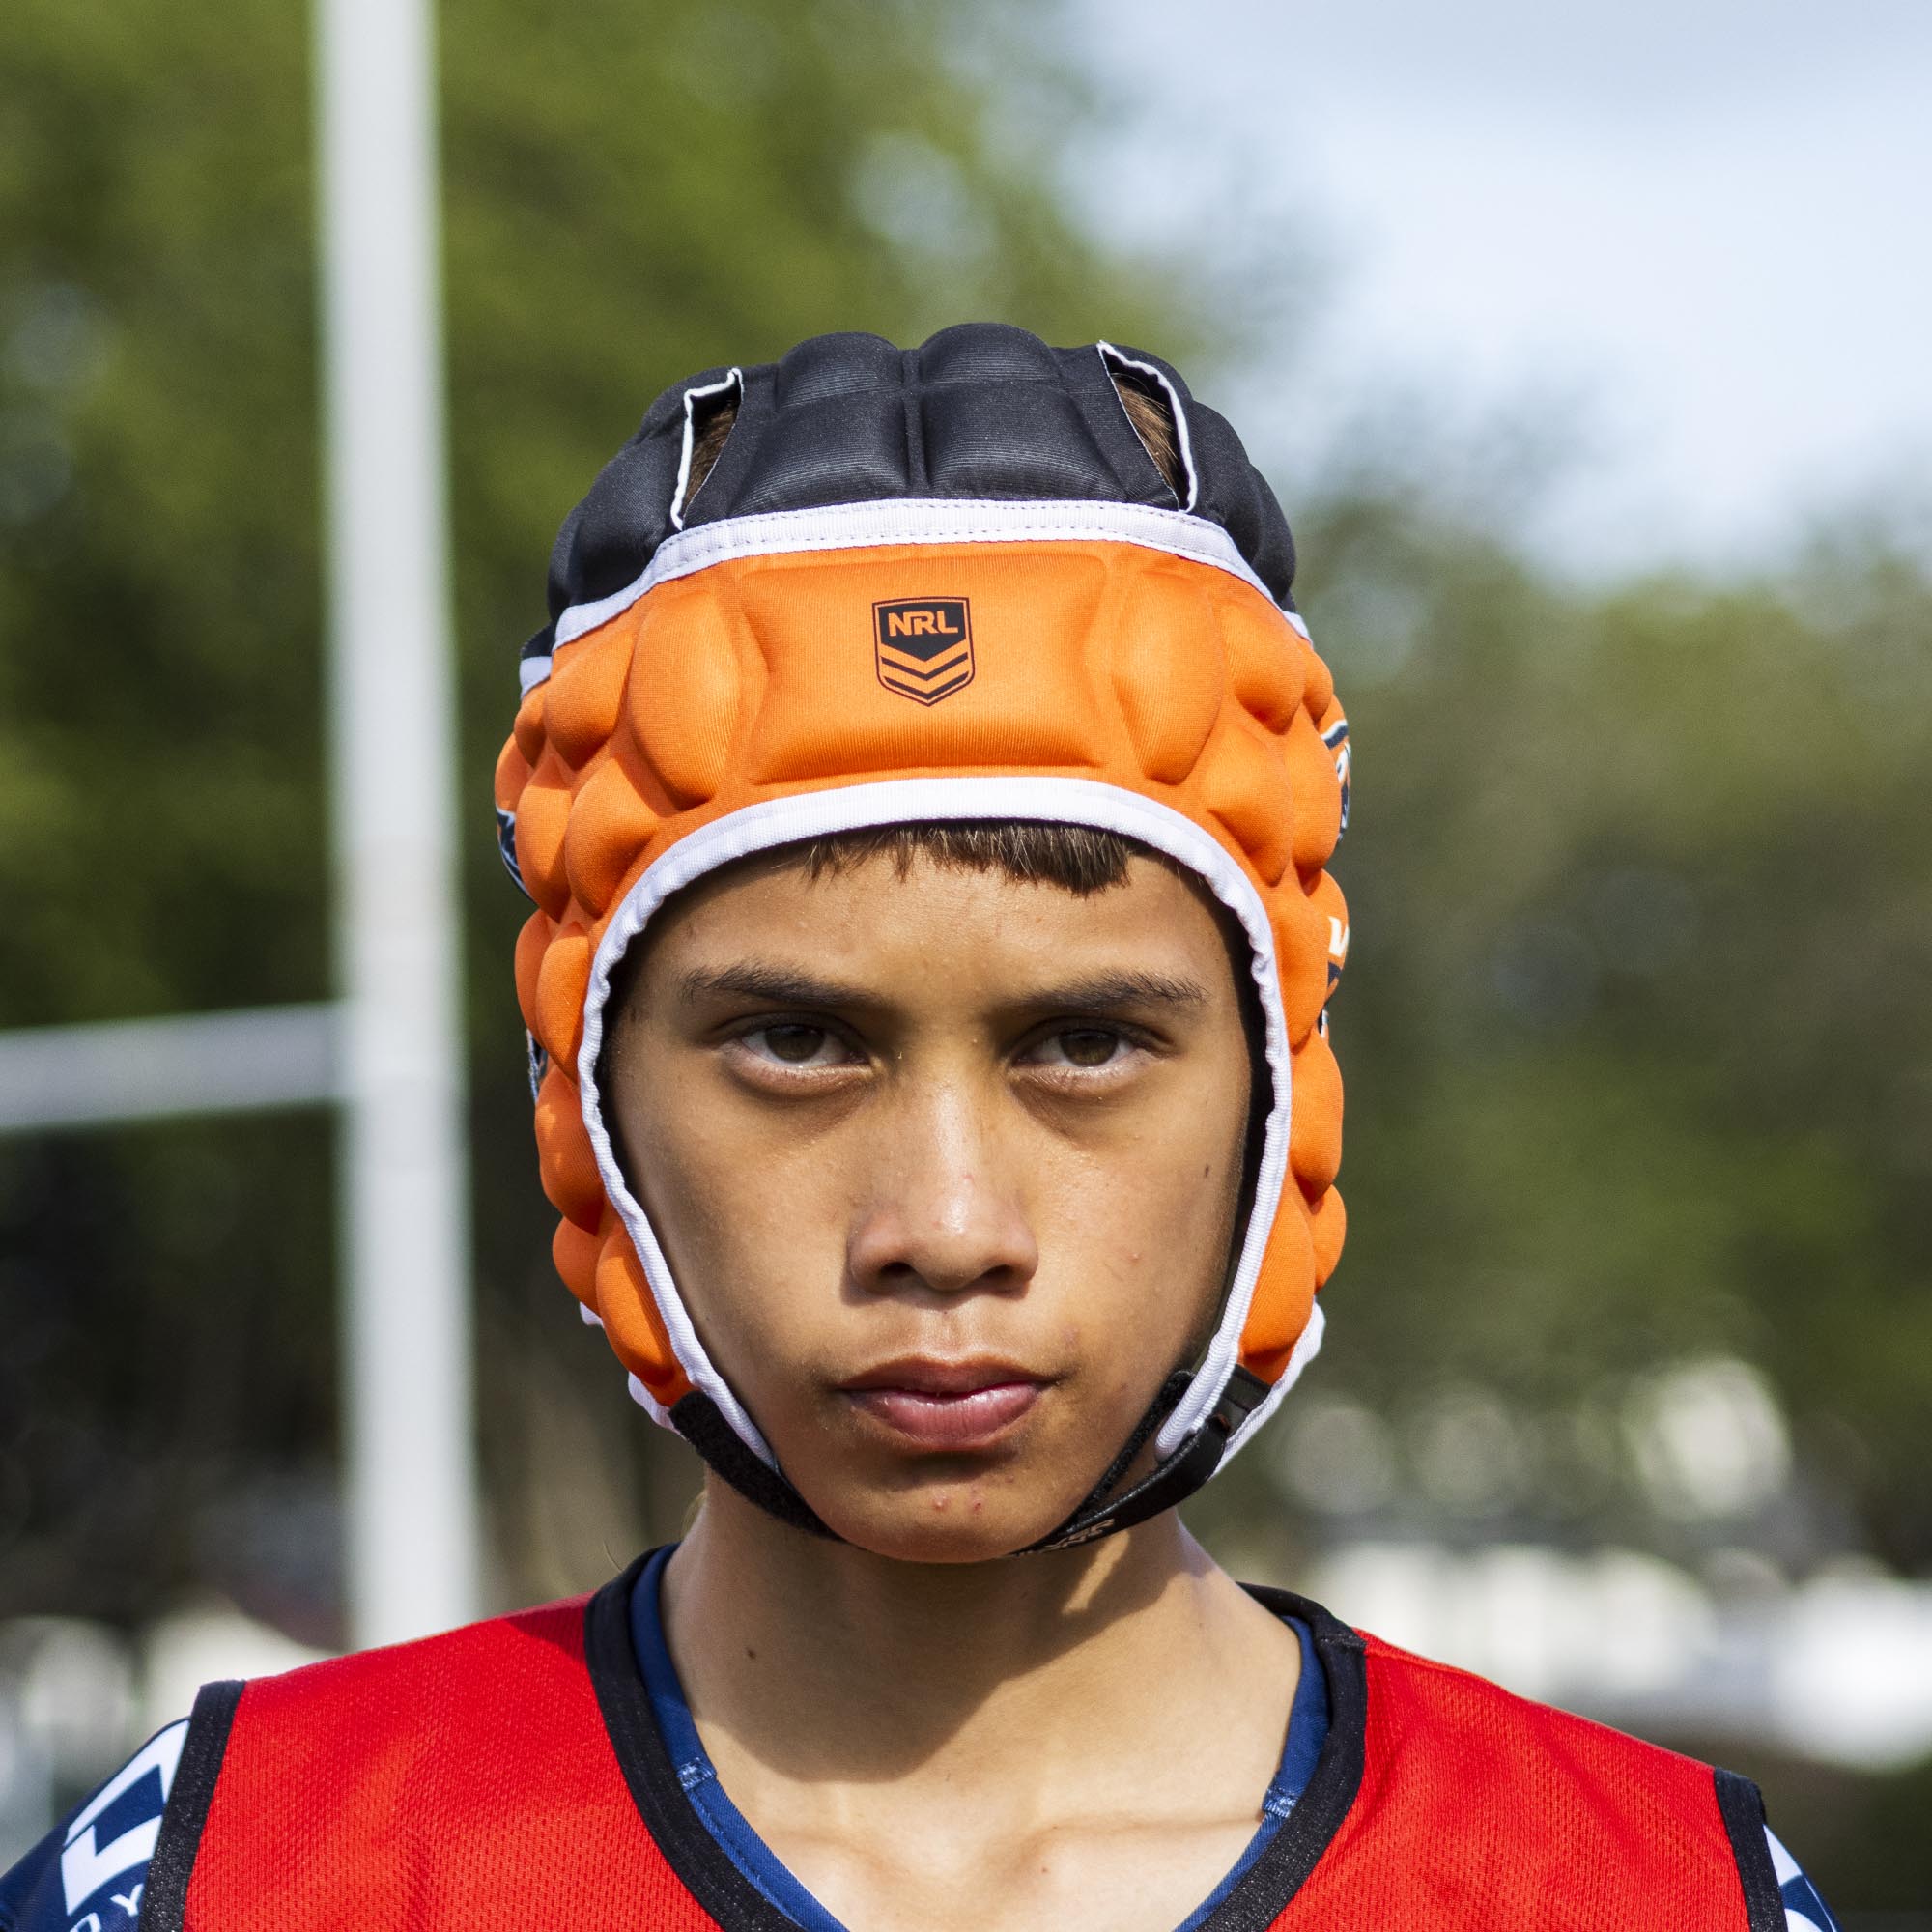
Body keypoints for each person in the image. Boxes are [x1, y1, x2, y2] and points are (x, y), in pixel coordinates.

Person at [0, 326, 1842, 1931]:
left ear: (1277, 1089)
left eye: (1089, 1044)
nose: (947, 1224)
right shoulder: (222, 1873)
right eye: (796, 1042)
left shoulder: (1652, 1893)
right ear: (591, 1100)